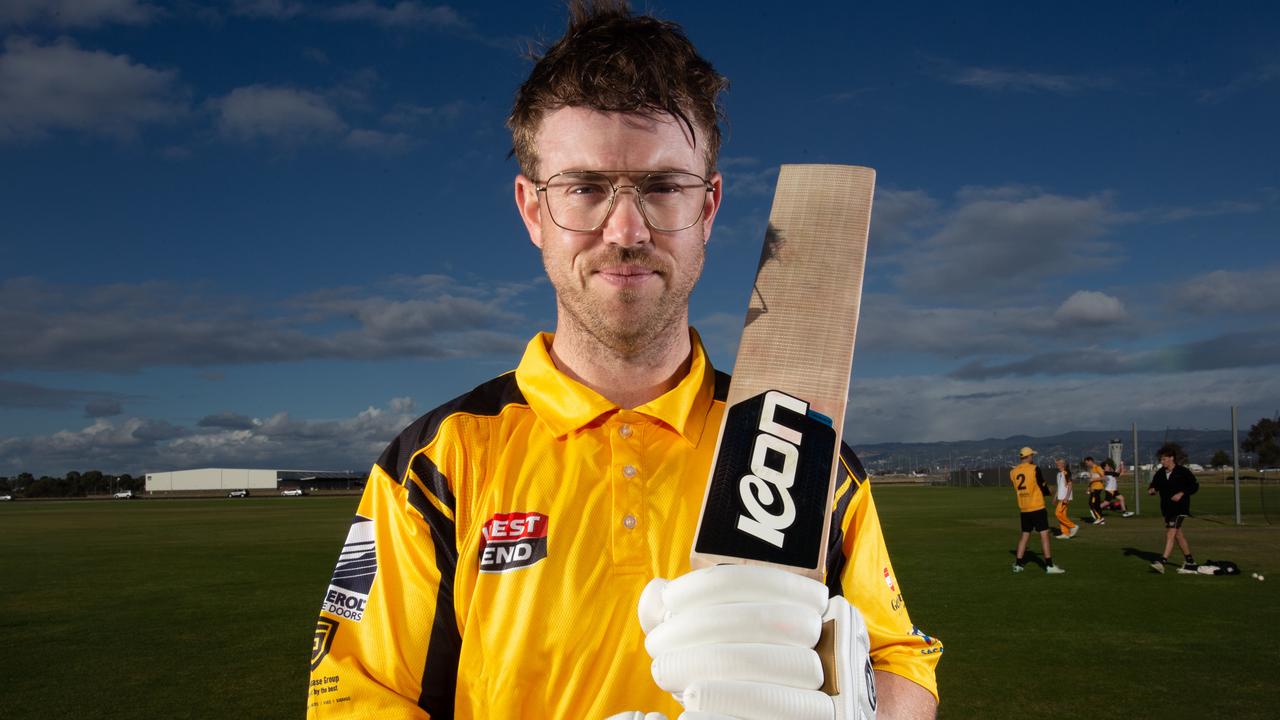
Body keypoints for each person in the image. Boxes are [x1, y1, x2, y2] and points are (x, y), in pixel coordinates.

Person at [305, 3, 941, 719]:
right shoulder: (438, 463)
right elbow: (357, 699)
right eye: (584, 188)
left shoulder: (798, 439)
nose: (627, 230)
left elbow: (901, 660)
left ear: (709, 206)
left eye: (664, 187)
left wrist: (859, 710)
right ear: (532, 209)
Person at [1010, 447, 1065, 574]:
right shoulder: (1034, 469)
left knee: (1025, 535)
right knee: (1044, 536)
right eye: (1031, 456)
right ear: (1028, 456)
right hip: (1037, 506)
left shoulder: (1013, 472)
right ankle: (1049, 566)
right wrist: (1050, 492)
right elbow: (1042, 485)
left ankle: (1018, 564)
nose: (1032, 457)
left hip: (1024, 508)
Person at [1147, 443, 1200, 574]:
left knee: (1170, 532)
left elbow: (1194, 486)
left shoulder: (1183, 472)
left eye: (1164, 459)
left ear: (1171, 458)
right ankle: (1190, 561)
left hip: (1180, 508)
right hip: (1167, 509)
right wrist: (1152, 490)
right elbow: (1154, 486)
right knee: (1178, 534)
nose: (1161, 461)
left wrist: (1181, 493)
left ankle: (1162, 561)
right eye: (1161, 459)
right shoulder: (1160, 473)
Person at [1052, 457, 1078, 540]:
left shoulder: (1066, 473)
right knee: (1062, 516)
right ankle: (1065, 533)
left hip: (1064, 498)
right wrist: (1055, 497)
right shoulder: (1058, 474)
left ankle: (1073, 526)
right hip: (1060, 498)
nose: (1057, 465)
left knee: (1057, 513)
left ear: (1063, 464)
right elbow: (1059, 487)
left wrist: (1067, 497)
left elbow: (1070, 485)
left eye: (1058, 464)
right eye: (1057, 464)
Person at [1084, 456, 1106, 525]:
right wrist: (1088, 487)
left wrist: (1093, 479)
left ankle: (1099, 518)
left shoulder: (1097, 468)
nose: (1086, 464)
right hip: (1093, 489)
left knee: (1092, 503)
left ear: (1090, 461)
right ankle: (1101, 519)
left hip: (1098, 488)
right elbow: (1091, 480)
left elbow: (1104, 478)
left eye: (1087, 463)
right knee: (1096, 504)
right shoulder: (1091, 469)